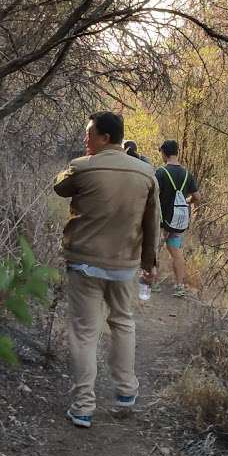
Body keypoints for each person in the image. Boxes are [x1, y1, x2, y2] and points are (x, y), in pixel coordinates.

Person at [53, 112, 160, 428]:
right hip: (124, 265)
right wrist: (149, 263)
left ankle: (83, 407)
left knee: (85, 333)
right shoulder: (146, 173)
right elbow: (152, 222)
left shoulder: (84, 166)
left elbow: (59, 186)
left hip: (84, 263)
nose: (86, 139)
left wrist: (78, 164)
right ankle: (126, 392)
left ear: (105, 137)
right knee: (123, 323)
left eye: (90, 134)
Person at [156, 139, 201, 296]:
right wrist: (187, 201)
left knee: (155, 249)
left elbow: (153, 196)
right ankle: (180, 286)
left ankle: (153, 283)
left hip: (162, 221)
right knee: (176, 252)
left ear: (163, 152)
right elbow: (197, 196)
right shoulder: (187, 174)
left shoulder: (161, 172)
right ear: (177, 152)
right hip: (178, 221)